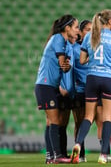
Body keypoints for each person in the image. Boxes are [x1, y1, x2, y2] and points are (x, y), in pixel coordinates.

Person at [70, 9, 111, 164]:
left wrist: (94, 57)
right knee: (107, 118)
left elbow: (82, 61)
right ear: (110, 21)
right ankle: (103, 155)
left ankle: (77, 144)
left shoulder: (89, 36)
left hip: (92, 78)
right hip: (109, 79)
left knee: (88, 116)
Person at [34, 14, 79, 164]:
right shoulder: (59, 38)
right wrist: (66, 65)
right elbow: (63, 64)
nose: (77, 31)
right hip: (46, 85)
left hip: (49, 86)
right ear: (67, 28)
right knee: (55, 120)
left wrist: (66, 66)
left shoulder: (63, 42)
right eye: (76, 27)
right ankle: (58, 156)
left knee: (50, 121)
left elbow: (64, 67)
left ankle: (50, 157)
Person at [72, 19, 92, 163]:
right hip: (79, 90)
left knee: (101, 120)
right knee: (79, 122)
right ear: (80, 32)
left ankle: (106, 152)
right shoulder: (74, 49)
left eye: (92, 30)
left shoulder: (96, 47)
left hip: (94, 89)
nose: (90, 32)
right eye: (87, 30)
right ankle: (81, 153)